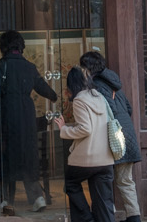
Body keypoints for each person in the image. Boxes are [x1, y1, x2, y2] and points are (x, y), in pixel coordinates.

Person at [0, 30, 58, 215]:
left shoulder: (0, 66)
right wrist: (54, 96)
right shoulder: (29, 67)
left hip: (7, 115)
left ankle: (6, 202)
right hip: (26, 115)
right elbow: (46, 90)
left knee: (6, 157)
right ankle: (37, 198)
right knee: (28, 156)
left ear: (3, 46)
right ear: (20, 46)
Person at [80, 51, 141, 222]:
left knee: (103, 180)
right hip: (127, 136)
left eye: (82, 66)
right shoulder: (114, 83)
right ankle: (134, 218)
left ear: (88, 68)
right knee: (125, 181)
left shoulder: (97, 85)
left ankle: (107, 216)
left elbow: (108, 111)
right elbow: (128, 109)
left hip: (112, 138)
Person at [52, 67, 116, 222]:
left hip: (88, 158)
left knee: (70, 183)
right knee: (103, 200)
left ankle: (87, 219)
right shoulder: (99, 96)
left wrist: (64, 129)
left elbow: (86, 129)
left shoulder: (80, 99)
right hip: (106, 158)